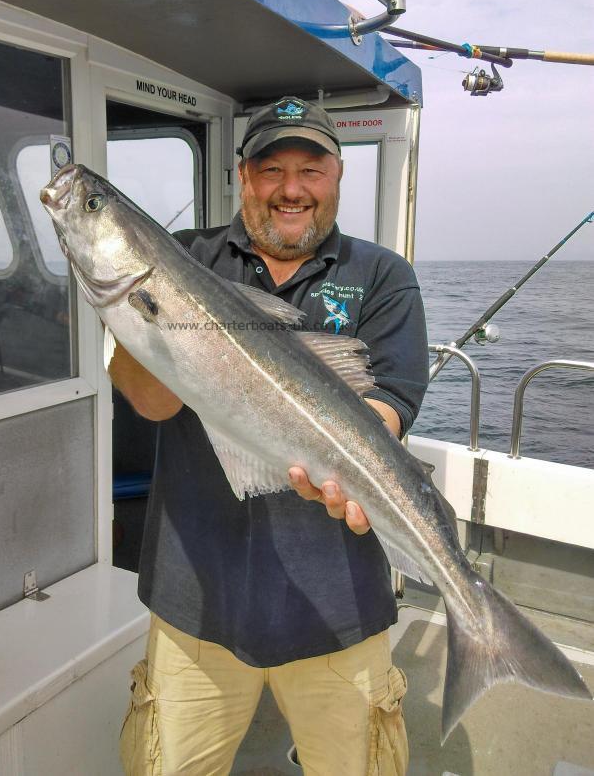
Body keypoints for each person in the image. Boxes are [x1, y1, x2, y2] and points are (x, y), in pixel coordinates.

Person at [112, 97, 429, 776]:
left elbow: (389, 404)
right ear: (242, 177)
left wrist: (342, 466)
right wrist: (145, 313)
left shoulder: (381, 276)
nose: (291, 189)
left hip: (337, 608)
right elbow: (149, 400)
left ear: (338, 176)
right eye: (271, 169)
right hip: (195, 601)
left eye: (310, 170)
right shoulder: (184, 259)